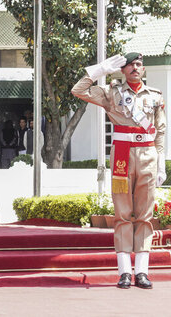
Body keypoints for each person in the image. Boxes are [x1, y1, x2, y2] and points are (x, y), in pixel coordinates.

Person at [72, 53, 166, 289]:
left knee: (144, 215)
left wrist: (161, 162)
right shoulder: (111, 92)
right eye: (130, 65)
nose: (135, 67)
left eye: (138, 64)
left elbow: (161, 131)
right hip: (122, 155)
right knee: (122, 213)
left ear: (143, 69)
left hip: (147, 154)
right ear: (122, 70)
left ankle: (142, 272)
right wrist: (98, 70)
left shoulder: (155, 95)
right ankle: (125, 272)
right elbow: (78, 90)